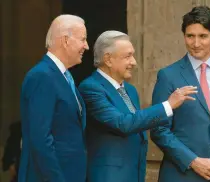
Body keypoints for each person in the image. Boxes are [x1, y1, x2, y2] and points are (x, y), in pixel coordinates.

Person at [78, 30, 197, 182]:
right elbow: (123, 123)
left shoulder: (130, 90)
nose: (133, 62)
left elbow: (138, 126)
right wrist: (168, 105)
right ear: (108, 59)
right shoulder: (91, 88)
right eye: (127, 56)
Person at [151, 6, 210, 182]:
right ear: (184, 36)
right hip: (181, 175)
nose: (196, 43)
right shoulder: (167, 75)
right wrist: (193, 161)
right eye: (190, 36)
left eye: (203, 36)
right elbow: (159, 130)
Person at [19, 14, 89, 182]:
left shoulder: (64, 76)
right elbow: (41, 140)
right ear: (65, 40)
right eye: (83, 39)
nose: (86, 46)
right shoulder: (42, 76)